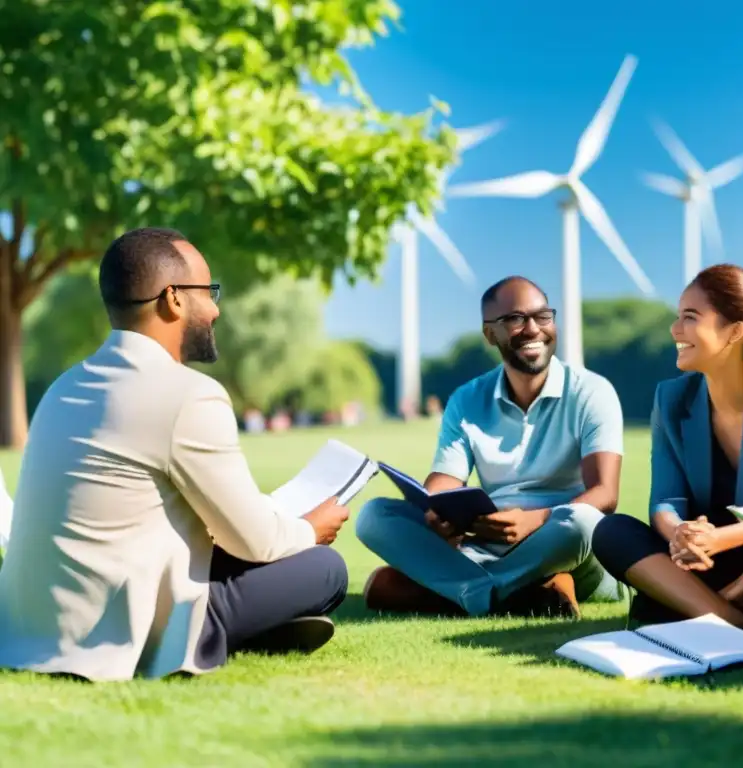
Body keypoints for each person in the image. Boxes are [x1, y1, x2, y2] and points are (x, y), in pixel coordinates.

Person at [0, 227, 350, 682]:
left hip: (31, 625)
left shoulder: (61, 389)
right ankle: (219, 635)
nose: (216, 307)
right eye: (209, 291)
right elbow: (256, 541)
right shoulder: (188, 395)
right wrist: (311, 528)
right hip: (122, 626)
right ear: (174, 299)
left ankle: (263, 625)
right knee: (325, 569)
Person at [356, 276, 625, 618]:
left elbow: (605, 493)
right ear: (490, 334)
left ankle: (459, 590)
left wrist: (535, 520)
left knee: (585, 521)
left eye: (542, 316)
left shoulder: (592, 391)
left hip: (561, 543)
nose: (532, 329)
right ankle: (503, 592)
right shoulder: (467, 399)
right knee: (374, 515)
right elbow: (445, 478)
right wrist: (437, 510)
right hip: (486, 541)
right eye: (514, 319)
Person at [592, 263, 743, 631]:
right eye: (678, 316)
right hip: (700, 558)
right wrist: (679, 533)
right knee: (611, 531)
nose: (676, 330)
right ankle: (736, 618)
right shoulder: (671, 398)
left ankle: (694, 604)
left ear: (735, 331)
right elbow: (665, 499)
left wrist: (718, 539)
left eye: (691, 317)